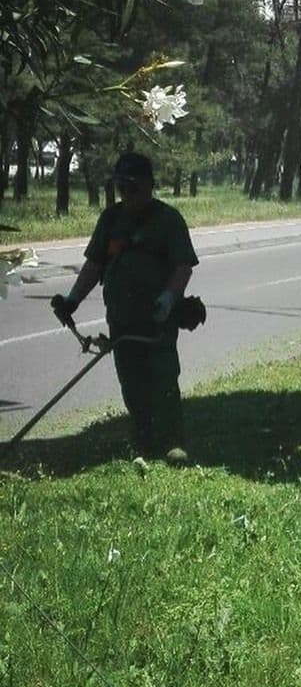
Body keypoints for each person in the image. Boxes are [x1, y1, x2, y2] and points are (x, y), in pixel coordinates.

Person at [51, 152, 199, 463]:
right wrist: (72, 300)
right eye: (122, 186)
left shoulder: (169, 220)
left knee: (162, 379)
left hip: (157, 319)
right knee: (131, 383)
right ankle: (144, 438)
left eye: (133, 186)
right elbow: (94, 265)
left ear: (149, 185)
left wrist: (168, 300)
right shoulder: (111, 219)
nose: (127, 192)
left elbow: (182, 267)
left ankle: (172, 442)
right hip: (121, 318)